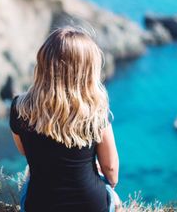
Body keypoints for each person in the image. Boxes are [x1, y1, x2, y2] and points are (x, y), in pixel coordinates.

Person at [10, 27, 120, 212]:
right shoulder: (96, 113)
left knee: (30, 176)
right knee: (115, 201)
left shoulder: (20, 108)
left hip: (39, 205)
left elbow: (24, 151)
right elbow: (110, 170)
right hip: (90, 206)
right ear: (87, 71)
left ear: (43, 64)